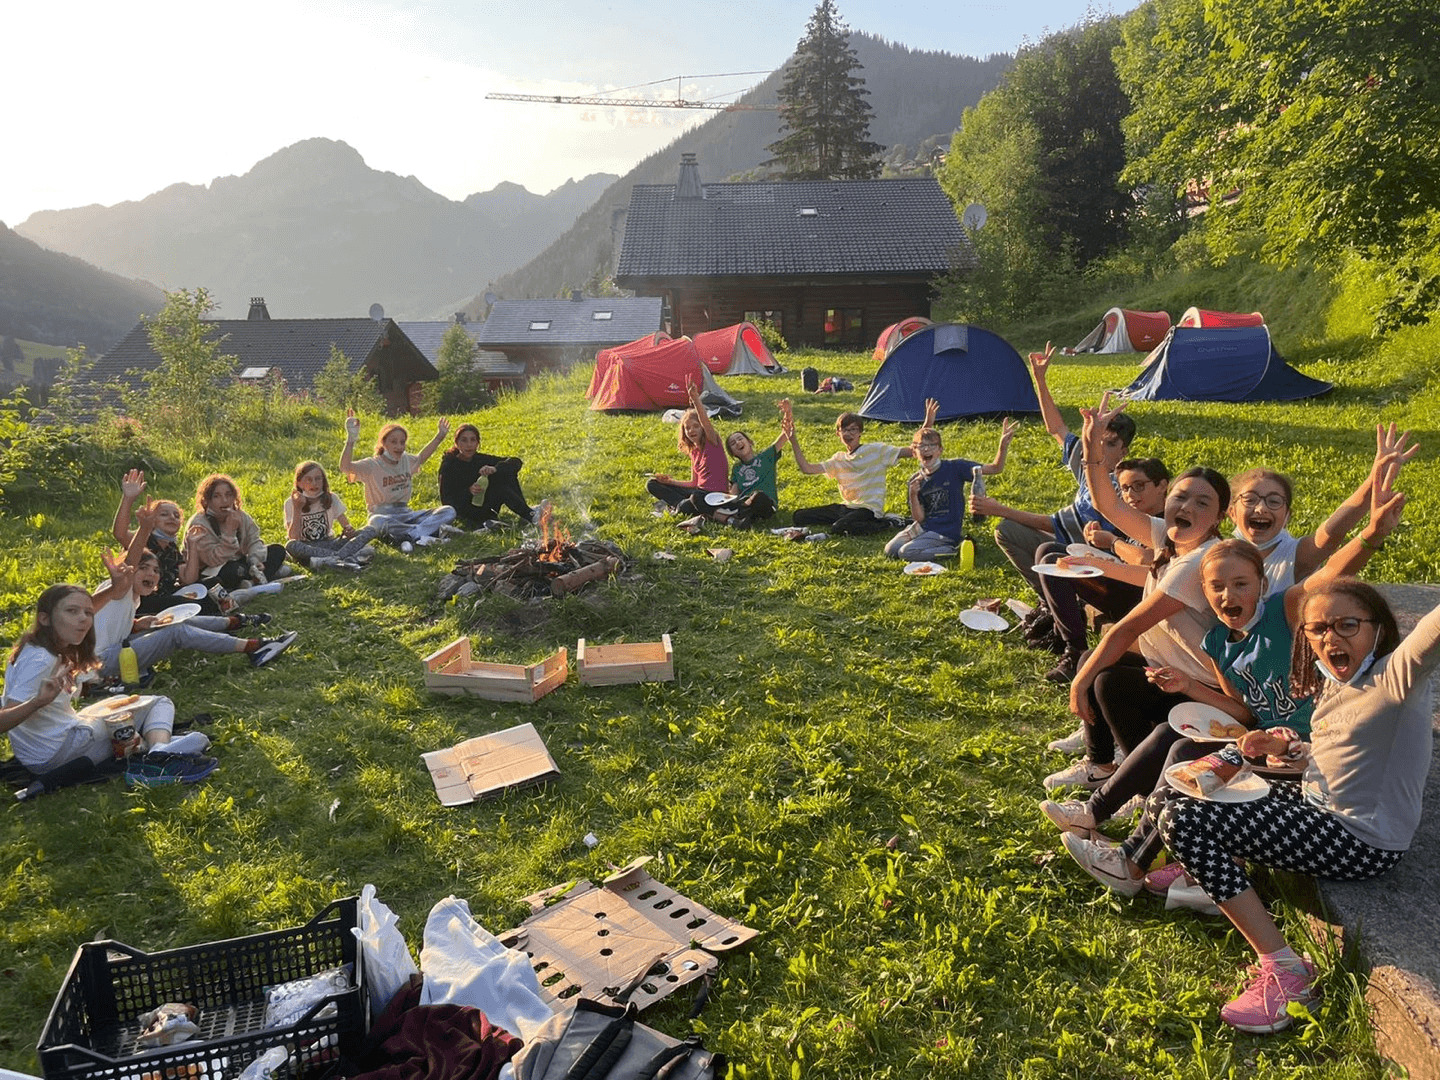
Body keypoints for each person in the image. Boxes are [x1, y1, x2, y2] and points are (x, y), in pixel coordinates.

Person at [1048, 454, 1408, 916]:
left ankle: (1126, 853)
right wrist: (1186, 685)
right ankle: (1122, 839)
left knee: (1180, 754)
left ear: (1261, 584)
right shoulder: (1219, 642)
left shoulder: (1284, 612)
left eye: (1240, 585)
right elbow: (1239, 710)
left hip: (1307, 752)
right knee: (1172, 743)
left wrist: (1372, 534)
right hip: (1260, 739)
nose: (1227, 596)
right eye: (1216, 587)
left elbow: (1330, 570)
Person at [1146, 577, 1436, 1033]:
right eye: (1317, 629)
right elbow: (1337, 750)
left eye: (1347, 625)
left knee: (1184, 821)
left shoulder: (1394, 679)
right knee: (1178, 788)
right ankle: (1215, 877)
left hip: (1360, 840)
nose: (1330, 639)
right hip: (1316, 804)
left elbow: (1430, 635)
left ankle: (1287, 972)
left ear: (1378, 630)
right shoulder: (1337, 679)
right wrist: (1289, 751)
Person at [1050, 400, 1229, 790]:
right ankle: (1101, 764)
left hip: (1199, 684)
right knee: (1091, 661)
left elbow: (1127, 628)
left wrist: (1078, 683)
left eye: (1203, 502)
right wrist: (1092, 447)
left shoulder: (1198, 562)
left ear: (1218, 518)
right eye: (1181, 497)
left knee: (1105, 682)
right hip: (1168, 662)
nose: (1186, 506)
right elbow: (1106, 503)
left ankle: (1139, 780)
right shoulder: (1170, 535)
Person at [2, 585, 216, 783]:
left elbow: (76, 611)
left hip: (44, 751)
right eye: (72, 612)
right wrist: (37, 702)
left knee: (121, 701)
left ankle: (159, 747)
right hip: (59, 753)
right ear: (45, 619)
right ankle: (158, 755)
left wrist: (115, 588)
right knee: (161, 704)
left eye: (87, 613)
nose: (83, 619)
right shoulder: (40, 659)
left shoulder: (41, 647)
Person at [970, 346, 1135, 594]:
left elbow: (1053, 525)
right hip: (1070, 546)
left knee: (1021, 535)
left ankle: (1054, 598)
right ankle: (1051, 595)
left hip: (1094, 562)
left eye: (1110, 443)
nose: (1099, 447)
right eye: (1098, 438)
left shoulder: (1118, 485)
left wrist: (999, 509)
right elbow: (1056, 428)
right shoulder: (1088, 461)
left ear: (1124, 451)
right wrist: (1040, 379)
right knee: (1007, 530)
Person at [1226, 422, 1417, 592]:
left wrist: (1374, 480)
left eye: (1274, 501)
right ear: (1232, 512)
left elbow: (1330, 535)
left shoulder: (1295, 556)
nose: (1261, 508)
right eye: (1250, 500)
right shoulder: (1217, 553)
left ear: (1287, 517)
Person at [1033, 457, 1171, 683]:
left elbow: (1147, 562)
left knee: (1054, 561)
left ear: (1162, 486)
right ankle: (1060, 628)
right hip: (1123, 584)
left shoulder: (1164, 521)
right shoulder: (1136, 518)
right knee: (1048, 550)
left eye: (1139, 486)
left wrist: (1112, 542)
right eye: (1125, 488)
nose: (1130, 495)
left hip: (1141, 597)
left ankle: (1075, 649)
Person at [89, 547, 297, 679]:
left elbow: (105, 627)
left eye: (156, 570)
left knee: (165, 622)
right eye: (143, 568)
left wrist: (136, 624)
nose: (151, 574)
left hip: (113, 652)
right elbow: (131, 558)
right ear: (128, 571)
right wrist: (142, 522)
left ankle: (235, 622)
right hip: (101, 663)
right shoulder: (119, 586)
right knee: (175, 632)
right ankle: (255, 647)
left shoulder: (132, 597)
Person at [787, 399, 937, 535]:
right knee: (799, 516)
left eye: (853, 429)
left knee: (838, 528)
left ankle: (886, 522)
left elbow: (912, 451)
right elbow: (807, 468)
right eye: (844, 430)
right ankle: (855, 521)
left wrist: (927, 424)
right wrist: (793, 441)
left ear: (860, 433)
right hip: (846, 508)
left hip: (869, 509)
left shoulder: (876, 451)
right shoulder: (838, 459)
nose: (848, 433)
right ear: (838, 434)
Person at [883, 418, 1016, 560]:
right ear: (914, 453)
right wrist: (913, 494)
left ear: (940, 450)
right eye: (921, 446)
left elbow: (995, 469)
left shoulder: (955, 468)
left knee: (906, 553)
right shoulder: (915, 480)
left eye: (931, 445)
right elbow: (919, 518)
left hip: (946, 531)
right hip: (923, 528)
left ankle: (953, 549)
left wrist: (1003, 446)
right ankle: (925, 545)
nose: (926, 449)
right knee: (891, 550)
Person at [111, 470, 223, 615]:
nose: (171, 518)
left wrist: (192, 545)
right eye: (164, 514)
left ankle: (229, 611)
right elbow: (119, 533)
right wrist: (128, 498)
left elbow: (189, 579)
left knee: (212, 583)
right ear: (151, 519)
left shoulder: (172, 548)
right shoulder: (142, 539)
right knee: (189, 604)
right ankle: (223, 621)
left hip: (168, 594)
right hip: (144, 600)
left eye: (176, 516)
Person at [341, 412, 458, 549]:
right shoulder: (372, 465)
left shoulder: (405, 460)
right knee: (375, 522)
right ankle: (426, 534)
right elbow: (345, 467)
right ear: (383, 443)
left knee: (448, 511)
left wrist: (439, 437)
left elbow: (421, 458)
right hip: (384, 516)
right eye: (394, 442)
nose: (399, 446)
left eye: (402, 442)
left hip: (407, 514)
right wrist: (351, 439)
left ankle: (411, 535)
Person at [676, 400, 792, 530]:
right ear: (732, 453)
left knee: (759, 496)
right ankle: (734, 520)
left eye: (740, 439)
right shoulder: (737, 469)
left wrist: (788, 413)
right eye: (732, 443)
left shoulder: (766, 457)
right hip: (742, 505)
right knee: (695, 498)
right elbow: (733, 496)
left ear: (749, 442)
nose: (737, 443)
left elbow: (786, 433)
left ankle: (729, 515)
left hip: (763, 504)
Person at [183, 475, 289, 590]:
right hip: (213, 568)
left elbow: (254, 540)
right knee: (233, 571)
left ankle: (253, 580)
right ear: (207, 501)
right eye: (217, 496)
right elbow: (212, 560)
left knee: (277, 550)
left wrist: (255, 560)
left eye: (228, 495)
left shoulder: (240, 516)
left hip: (240, 560)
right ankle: (265, 575)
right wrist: (229, 532)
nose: (224, 500)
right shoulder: (199, 524)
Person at [438, 423, 547, 529]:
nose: (469, 445)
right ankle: (530, 515)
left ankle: (527, 513)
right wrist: (469, 491)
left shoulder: (479, 459)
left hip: (486, 505)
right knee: (500, 488)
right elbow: (447, 501)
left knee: (505, 471)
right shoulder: (449, 465)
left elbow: (516, 462)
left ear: (477, 443)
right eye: (464, 440)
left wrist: (495, 469)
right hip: (465, 510)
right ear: (457, 443)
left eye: (473, 440)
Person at [646, 381, 728, 510]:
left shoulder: (712, 442)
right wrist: (669, 482)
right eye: (687, 428)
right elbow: (694, 482)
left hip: (713, 496)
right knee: (652, 484)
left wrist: (695, 399)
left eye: (696, 426)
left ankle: (681, 505)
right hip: (697, 492)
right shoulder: (694, 452)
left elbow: (705, 421)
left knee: (693, 500)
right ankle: (680, 505)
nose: (691, 431)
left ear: (702, 428)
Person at [283, 461, 381, 570]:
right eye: (309, 480)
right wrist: (297, 508)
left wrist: (349, 531)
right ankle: (342, 557)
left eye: (318, 479)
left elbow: (347, 526)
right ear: (300, 483)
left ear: (323, 481)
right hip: (308, 547)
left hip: (330, 543)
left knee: (370, 530)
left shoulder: (331, 498)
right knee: (290, 545)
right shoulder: (291, 503)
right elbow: (293, 537)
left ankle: (334, 559)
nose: (314, 483)